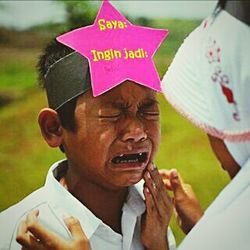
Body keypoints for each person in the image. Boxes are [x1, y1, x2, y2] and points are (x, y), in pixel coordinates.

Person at [15, 0, 250, 249]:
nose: (137, 132)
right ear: (55, 128)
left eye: (148, 111)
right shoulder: (23, 234)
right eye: (112, 115)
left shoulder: (153, 222)